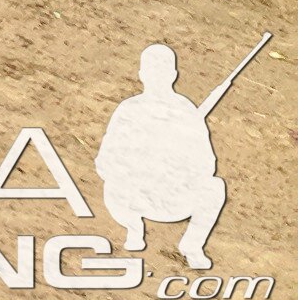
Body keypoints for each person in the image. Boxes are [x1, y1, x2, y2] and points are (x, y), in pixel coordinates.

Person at [95, 43, 231, 271]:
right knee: (113, 183)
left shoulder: (187, 111)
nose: (157, 77)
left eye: (162, 71)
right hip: (133, 197)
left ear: (173, 75)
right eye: (152, 71)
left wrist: (177, 162)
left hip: (173, 197)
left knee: (214, 187)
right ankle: (134, 228)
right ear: (142, 75)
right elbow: (105, 160)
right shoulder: (129, 109)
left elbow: (207, 165)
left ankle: (192, 245)